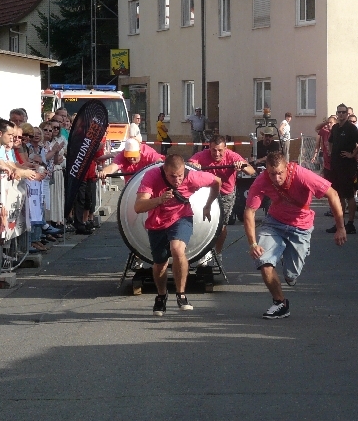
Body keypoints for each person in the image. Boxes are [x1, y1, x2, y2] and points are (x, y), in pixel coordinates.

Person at [244, 151, 346, 319]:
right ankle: (280, 303)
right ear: (266, 170)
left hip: (300, 227)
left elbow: (332, 194)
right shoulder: (262, 180)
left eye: (280, 173)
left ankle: (289, 256)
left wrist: (340, 227)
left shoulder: (302, 175)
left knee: (291, 276)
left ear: (287, 167)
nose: (276, 178)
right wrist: (253, 243)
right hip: (274, 223)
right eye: (272, 174)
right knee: (264, 261)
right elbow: (249, 211)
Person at [134, 154, 221, 316]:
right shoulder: (152, 175)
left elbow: (217, 181)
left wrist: (208, 205)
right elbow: (138, 207)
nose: (177, 180)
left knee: (177, 249)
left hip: (181, 217)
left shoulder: (193, 176)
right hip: (157, 221)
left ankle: (181, 294)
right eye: (172, 176)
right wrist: (159, 200)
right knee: (160, 263)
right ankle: (161, 295)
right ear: (164, 170)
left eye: (180, 176)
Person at [189, 135, 256, 263]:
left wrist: (242, 166)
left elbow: (251, 171)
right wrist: (194, 165)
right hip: (206, 193)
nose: (217, 154)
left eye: (220, 150)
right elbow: (188, 165)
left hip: (225, 194)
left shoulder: (232, 156)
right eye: (213, 150)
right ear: (209, 148)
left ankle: (218, 253)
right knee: (202, 222)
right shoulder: (202, 155)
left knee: (221, 226)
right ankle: (204, 251)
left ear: (225, 148)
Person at [327, 103, 358, 234]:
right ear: (337, 113)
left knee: (349, 195)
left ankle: (350, 223)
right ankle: (340, 223)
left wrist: (353, 154)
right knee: (338, 195)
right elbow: (330, 141)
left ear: (347, 114)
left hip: (348, 166)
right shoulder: (335, 127)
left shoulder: (351, 128)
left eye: (343, 112)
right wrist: (331, 152)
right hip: (336, 165)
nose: (341, 114)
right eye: (339, 112)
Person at [99, 138, 164, 179]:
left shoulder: (148, 153)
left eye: (133, 156)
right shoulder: (122, 155)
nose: (131, 159)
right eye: (129, 156)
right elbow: (113, 167)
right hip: (130, 185)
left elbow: (160, 163)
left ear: (139, 151)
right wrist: (104, 172)